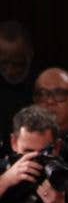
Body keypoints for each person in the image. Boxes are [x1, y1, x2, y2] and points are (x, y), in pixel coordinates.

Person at [0, 20, 36, 152]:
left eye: (18, 64)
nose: (10, 71)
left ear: (30, 55)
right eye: (3, 63)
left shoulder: (42, 85)